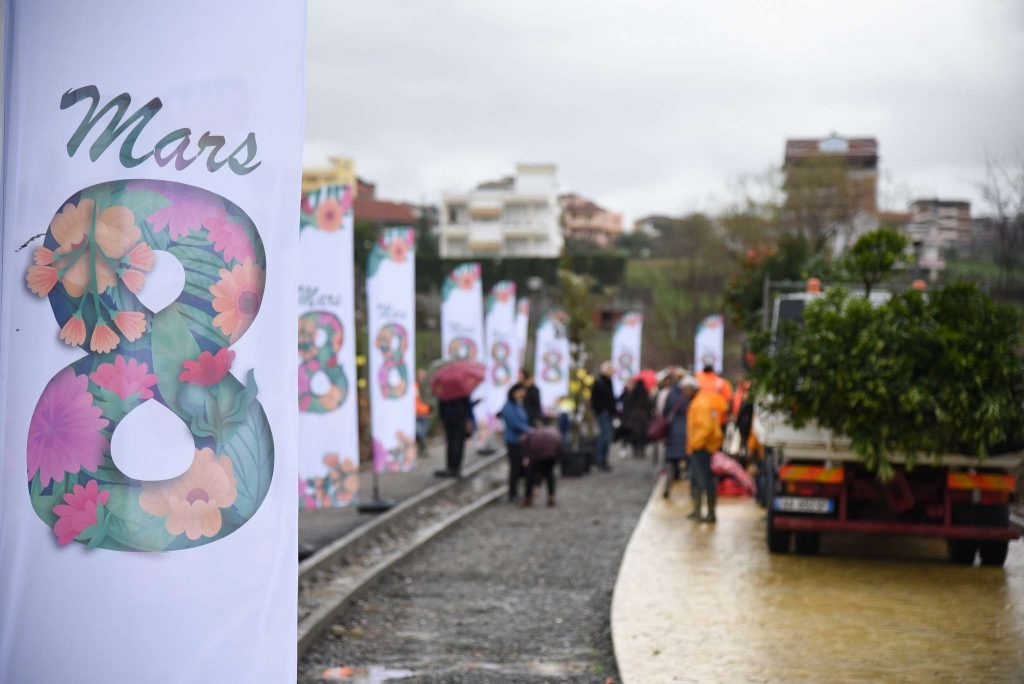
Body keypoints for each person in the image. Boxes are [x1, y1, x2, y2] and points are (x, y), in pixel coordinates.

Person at [687, 377, 728, 523]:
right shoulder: (699, 401)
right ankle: (698, 511)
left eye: (685, 390)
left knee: (706, 480)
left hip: (703, 447)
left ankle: (710, 513)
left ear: (691, 389)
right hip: (700, 447)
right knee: (697, 479)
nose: (683, 393)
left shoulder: (701, 404)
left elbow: (707, 428)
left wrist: (695, 443)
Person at [663, 372, 696, 498]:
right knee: (691, 465)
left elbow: (665, 412)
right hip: (688, 432)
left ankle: (667, 488)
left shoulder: (671, 394)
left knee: (671, 463)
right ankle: (693, 492)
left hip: (673, 431)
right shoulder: (692, 397)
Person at [501, 383, 531, 502]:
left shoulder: (519, 405)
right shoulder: (508, 407)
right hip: (513, 441)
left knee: (521, 467)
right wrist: (528, 430)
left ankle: (520, 492)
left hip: (522, 440)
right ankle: (512, 493)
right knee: (515, 467)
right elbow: (515, 423)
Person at [521, 426, 562, 507]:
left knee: (530, 475)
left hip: (536, 453)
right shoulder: (554, 432)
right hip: (551, 453)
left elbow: (525, 443)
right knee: (549, 474)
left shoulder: (530, 433)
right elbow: (560, 446)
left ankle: (527, 498)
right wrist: (557, 459)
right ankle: (551, 497)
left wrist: (526, 456)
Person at [437, 395, 473, 478]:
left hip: (450, 419)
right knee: (458, 443)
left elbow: (441, 407)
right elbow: (467, 406)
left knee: (452, 443)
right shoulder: (462, 392)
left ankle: (452, 467)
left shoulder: (445, 392)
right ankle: (455, 467)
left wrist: (442, 419)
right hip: (459, 419)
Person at [590, 361, 616, 472]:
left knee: (607, 437)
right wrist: (601, 410)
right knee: (604, 436)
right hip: (603, 413)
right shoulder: (600, 382)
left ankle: (603, 459)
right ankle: (600, 459)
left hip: (608, 413)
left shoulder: (608, 382)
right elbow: (596, 400)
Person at [622, 377, 652, 458]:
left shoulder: (633, 392)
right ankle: (641, 450)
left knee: (634, 435)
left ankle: (635, 450)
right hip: (643, 417)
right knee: (642, 435)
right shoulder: (645, 393)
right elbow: (649, 405)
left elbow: (628, 404)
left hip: (634, 417)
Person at [414, 368, 432, 451]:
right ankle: (423, 448)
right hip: (417, 413)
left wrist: (430, 411)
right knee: (420, 432)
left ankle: (423, 448)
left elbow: (430, 399)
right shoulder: (414, 386)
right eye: (421, 376)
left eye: (424, 375)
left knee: (424, 432)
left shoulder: (428, 387)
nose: (422, 377)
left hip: (425, 412)